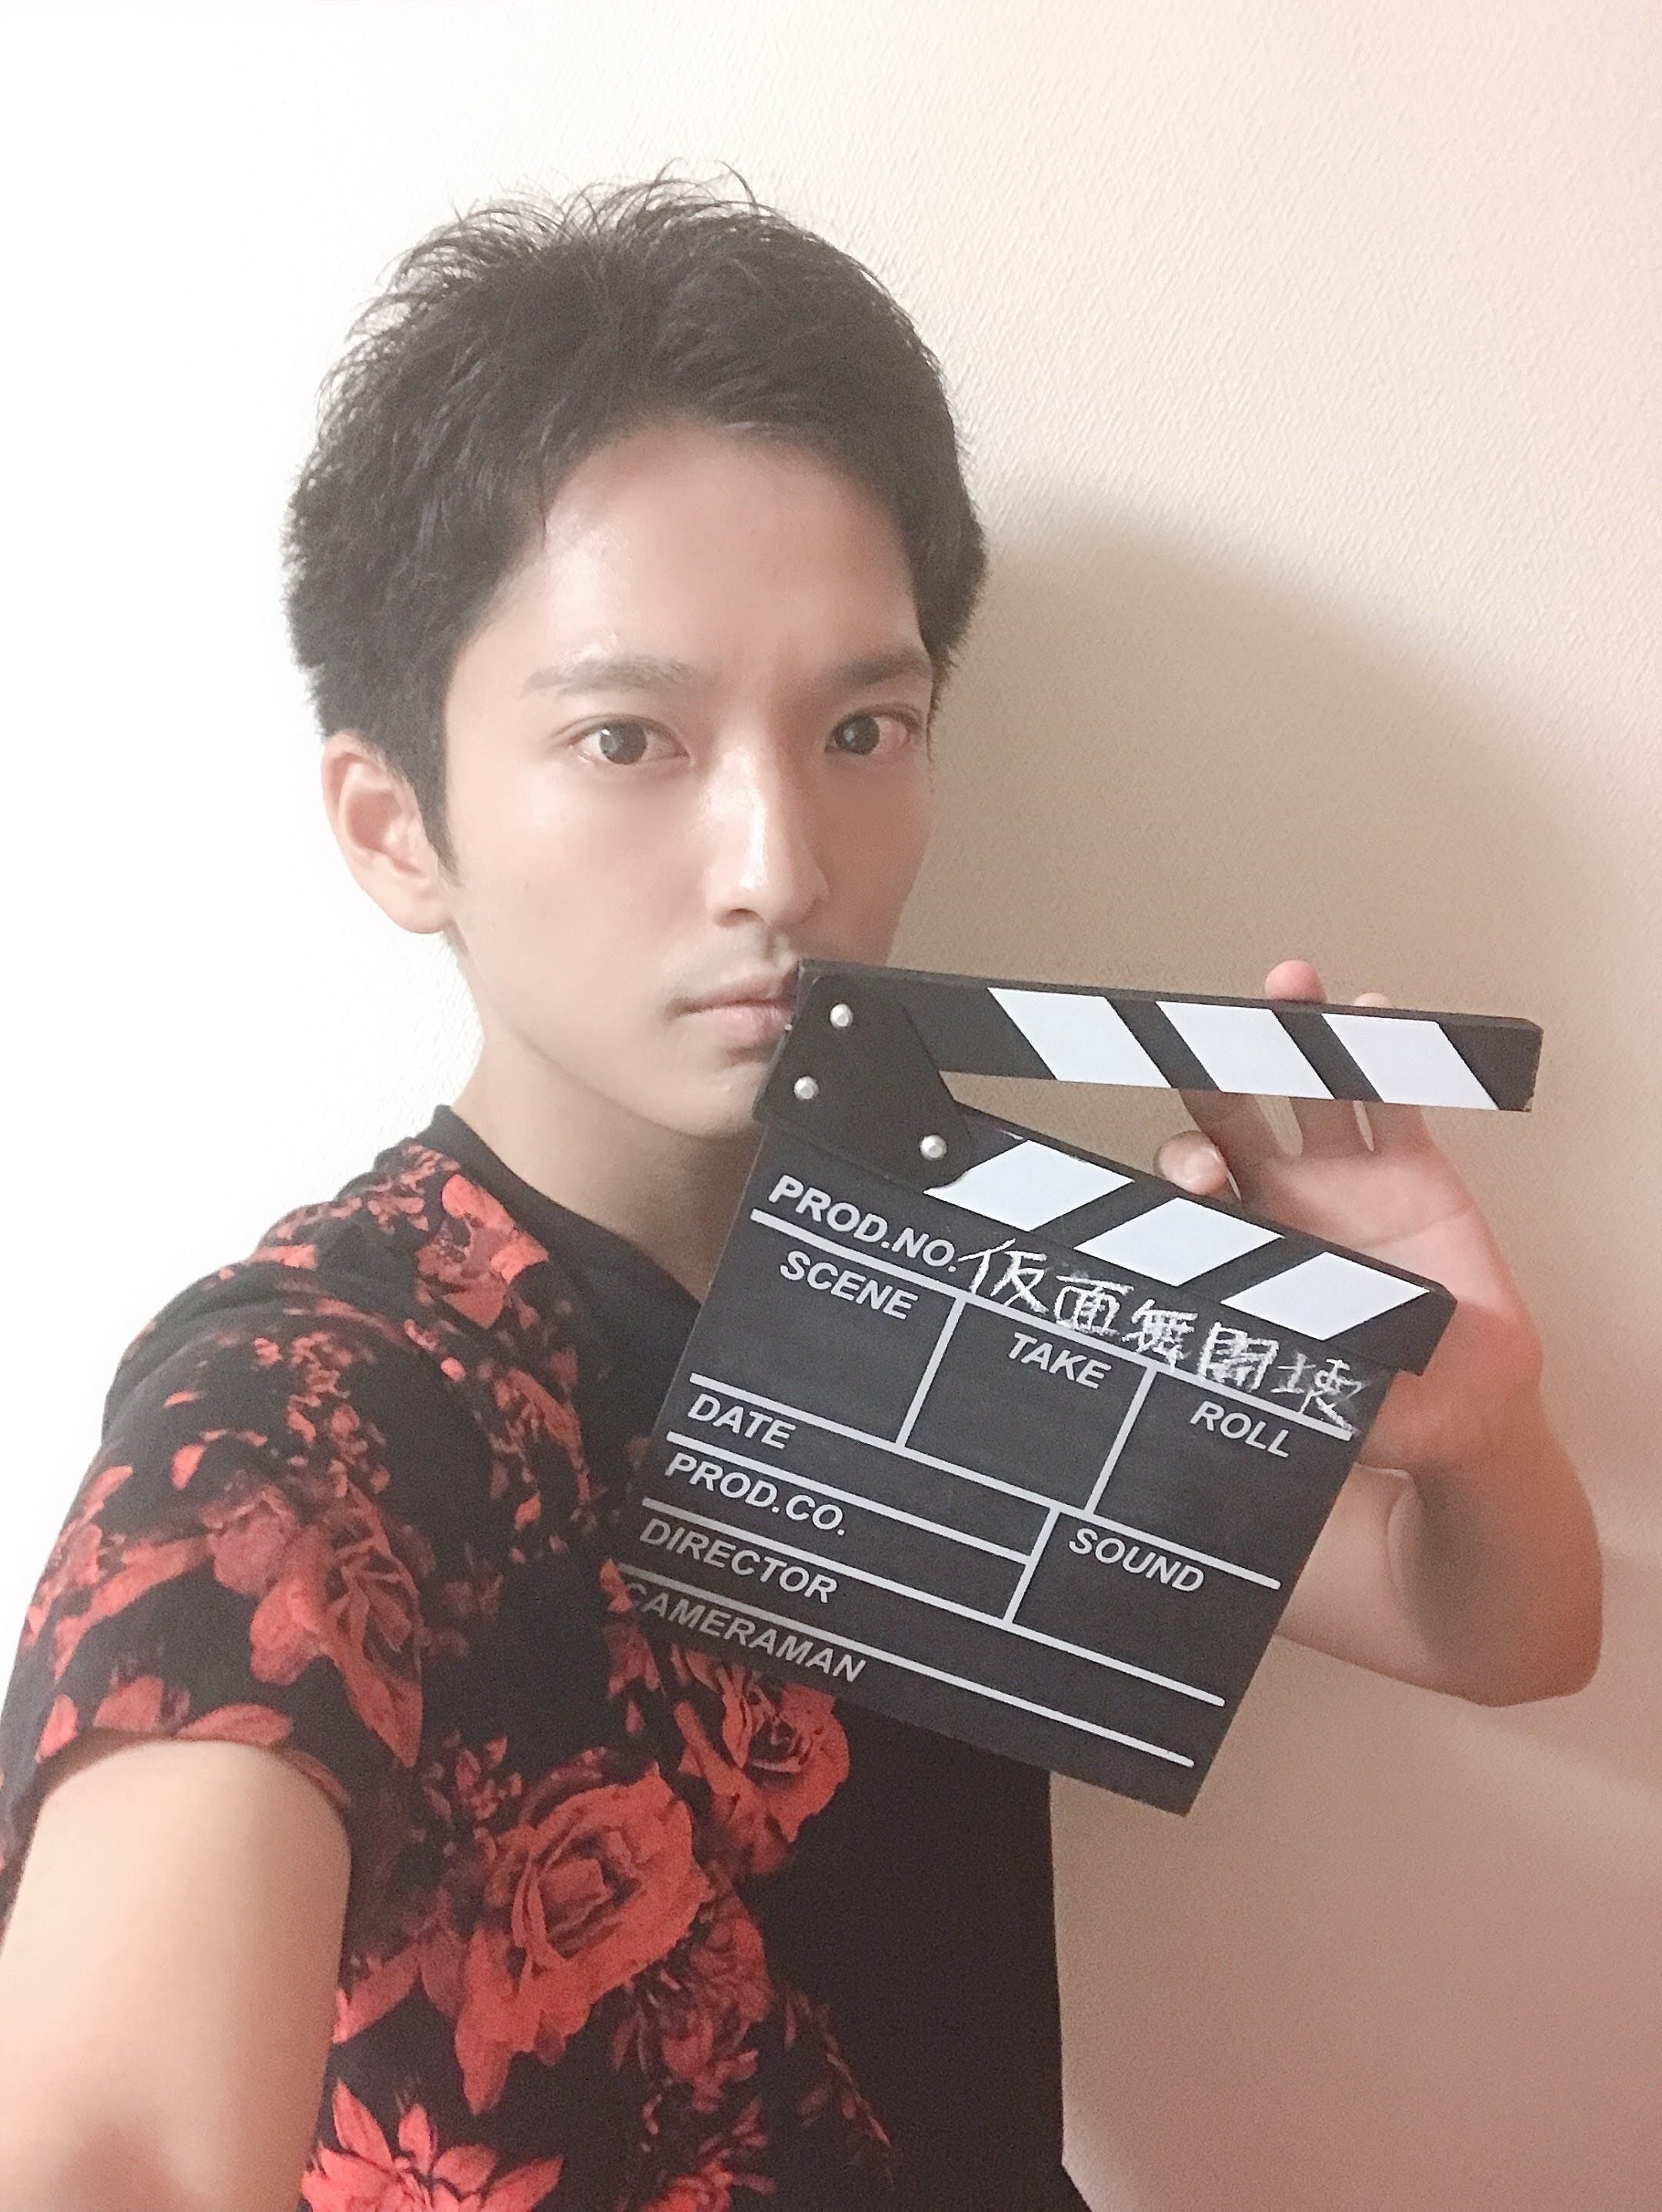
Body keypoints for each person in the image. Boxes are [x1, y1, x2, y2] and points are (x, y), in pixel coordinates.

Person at [0, 177, 1600, 2212]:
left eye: (862, 727)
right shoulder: (305, 1410)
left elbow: (1503, 1631)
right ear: (397, 825)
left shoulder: (957, 1269)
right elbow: (110, 2147)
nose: (781, 863)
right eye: (627, 738)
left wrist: (1470, 1425)